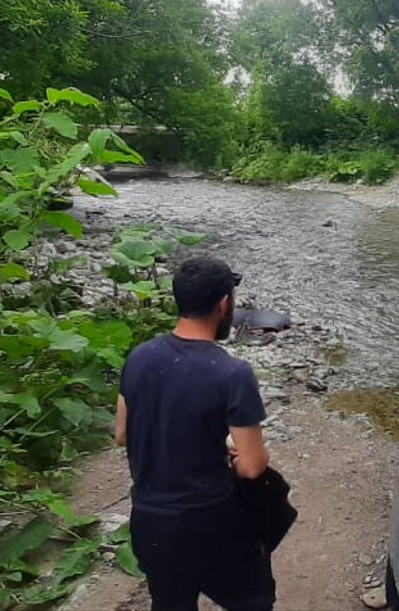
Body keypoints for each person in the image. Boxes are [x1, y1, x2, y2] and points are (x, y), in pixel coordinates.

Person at [115, 257, 275, 611]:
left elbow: (122, 433)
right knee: (251, 600)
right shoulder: (232, 373)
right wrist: (235, 451)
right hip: (211, 523)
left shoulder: (138, 358)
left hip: (150, 522)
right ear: (223, 304)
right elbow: (251, 467)